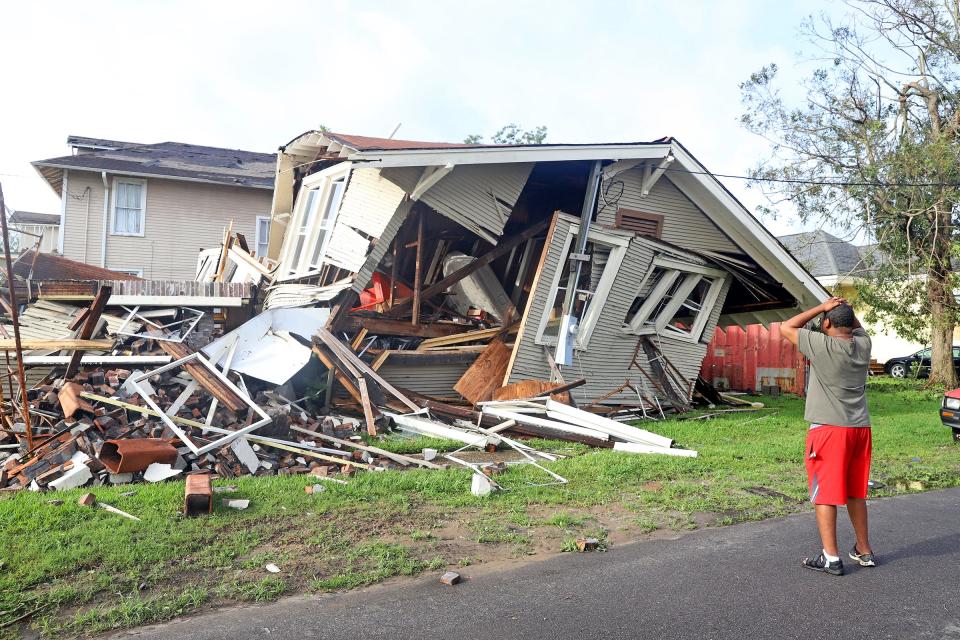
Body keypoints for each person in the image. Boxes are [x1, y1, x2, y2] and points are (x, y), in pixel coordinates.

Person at [780, 296, 876, 576]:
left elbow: (787, 326)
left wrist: (824, 307)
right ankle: (864, 550)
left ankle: (831, 557)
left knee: (825, 494)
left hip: (829, 431)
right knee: (855, 491)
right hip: (860, 429)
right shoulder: (863, 345)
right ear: (850, 323)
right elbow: (855, 327)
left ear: (826, 323)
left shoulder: (822, 344)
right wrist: (843, 312)